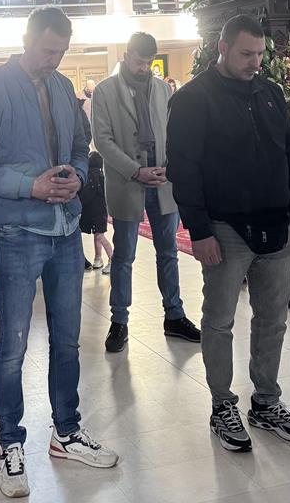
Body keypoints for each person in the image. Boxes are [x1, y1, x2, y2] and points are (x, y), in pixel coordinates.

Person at [0, 7, 119, 499]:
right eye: (49, 50)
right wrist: (31, 186)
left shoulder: (64, 88)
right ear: (27, 39)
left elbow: (80, 146)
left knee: (68, 341)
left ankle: (66, 432)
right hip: (16, 233)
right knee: (12, 347)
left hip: (65, 231)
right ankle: (11, 444)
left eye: (62, 51)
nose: (55, 59)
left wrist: (74, 176)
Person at [166, 14, 290, 453]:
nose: (255, 62)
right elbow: (184, 170)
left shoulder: (270, 93)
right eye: (247, 54)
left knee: (273, 320)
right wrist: (199, 230)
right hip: (225, 228)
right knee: (219, 320)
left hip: (276, 225)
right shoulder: (193, 99)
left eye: (260, 54)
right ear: (223, 48)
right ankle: (222, 406)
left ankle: (266, 402)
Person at [92, 31, 199, 352]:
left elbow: (176, 133)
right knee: (124, 256)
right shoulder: (105, 91)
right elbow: (103, 140)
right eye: (138, 61)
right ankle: (119, 321)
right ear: (126, 56)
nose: (143, 68)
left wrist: (170, 166)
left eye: (148, 62)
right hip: (128, 183)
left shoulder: (163, 89)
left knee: (168, 253)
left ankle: (174, 316)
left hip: (163, 183)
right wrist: (135, 170)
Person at [78, 151, 113, 274]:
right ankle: (98, 258)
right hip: (100, 212)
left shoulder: (90, 176)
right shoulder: (101, 175)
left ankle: (112, 259)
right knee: (98, 235)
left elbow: (86, 195)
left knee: (99, 236)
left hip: (95, 213)